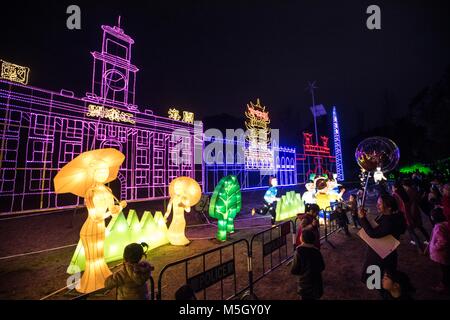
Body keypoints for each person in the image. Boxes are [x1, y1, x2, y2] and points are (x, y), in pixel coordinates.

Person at [358, 194, 406, 284]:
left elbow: (373, 233)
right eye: (377, 203)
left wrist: (363, 218)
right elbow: (374, 228)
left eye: (380, 204)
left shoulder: (390, 221)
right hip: (384, 251)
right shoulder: (387, 216)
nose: (377, 206)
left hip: (381, 255)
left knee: (380, 279)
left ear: (389, 207)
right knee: (381, 277)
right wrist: (363, 217)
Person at [291, 229, 325, 300]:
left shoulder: (299, 251)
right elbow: (322, 267)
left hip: (304, 285)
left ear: (302, 239)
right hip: (317, 284)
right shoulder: (316, 251)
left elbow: (294, 270)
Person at [402, 179, 430, 251]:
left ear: (405, 185)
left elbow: (407, 204)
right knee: (419, 226)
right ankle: (428, 239)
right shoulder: (414, 190)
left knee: (410, 228)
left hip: (411, 212)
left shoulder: (408, 192)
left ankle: (419, 246)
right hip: (416, 211)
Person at [427, 209, 450, 294]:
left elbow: (442, 241)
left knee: (445, 270)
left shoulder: (439, 227)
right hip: (445, 252)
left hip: (441, 254)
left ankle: (444, 285)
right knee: (446, 269)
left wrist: (434, 247)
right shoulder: (446, 224)